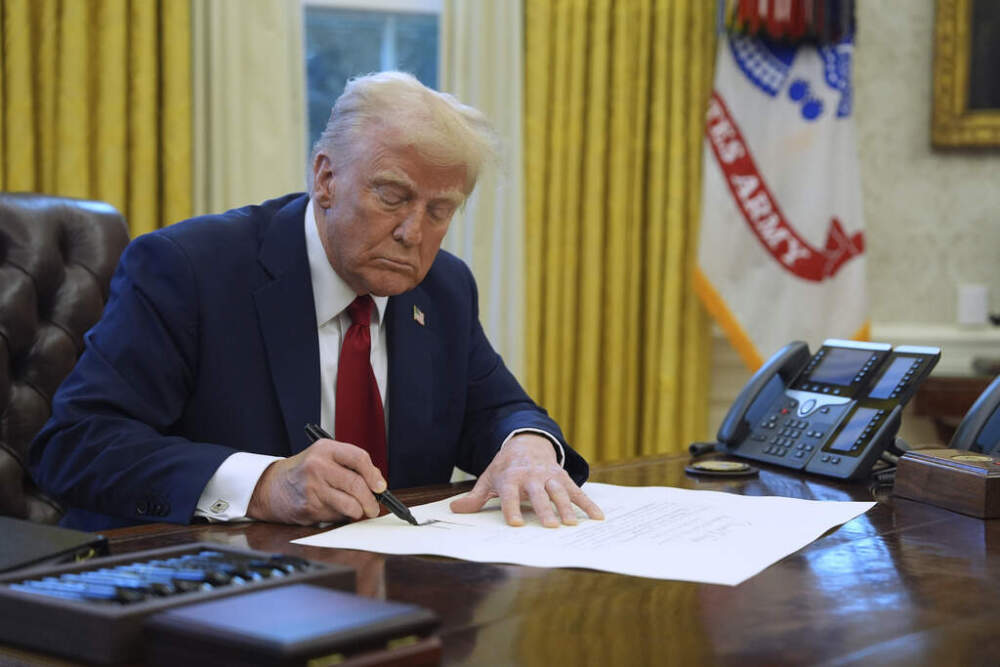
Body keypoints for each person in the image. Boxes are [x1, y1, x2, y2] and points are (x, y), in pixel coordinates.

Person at [30, 71, 603, 532]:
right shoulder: (189, 268)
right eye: (392, 196)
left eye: (439, 210)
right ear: (325, 178)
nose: (413, 232)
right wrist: (265, 483)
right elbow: (76, 444)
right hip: (204, 592)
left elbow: (498, 408)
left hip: (394, 592)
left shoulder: (443, 288)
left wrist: (527, 446)